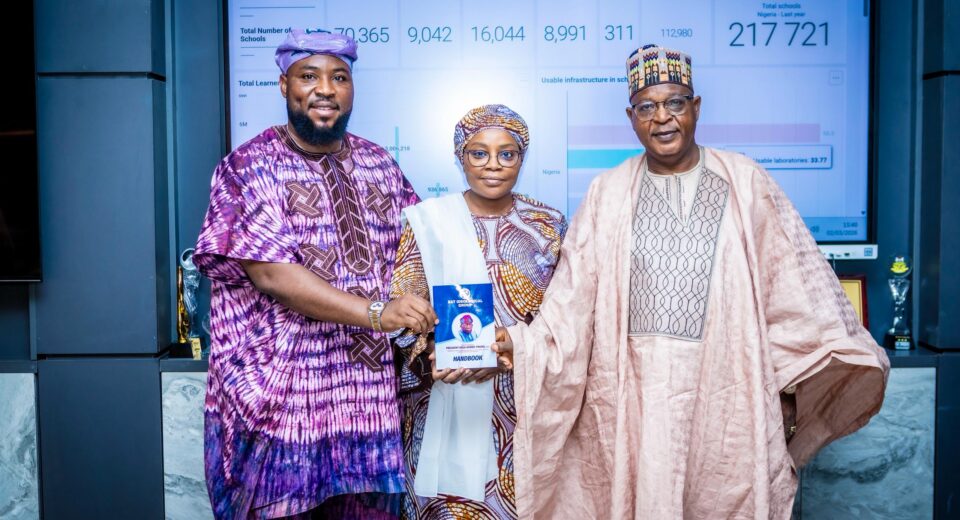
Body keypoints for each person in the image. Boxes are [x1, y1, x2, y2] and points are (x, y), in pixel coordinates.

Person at [492, 45, 890, 519]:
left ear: (696, 108)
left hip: (726, 398)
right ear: (631, 118)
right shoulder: (607, 193)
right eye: (647, 107)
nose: (662, 118)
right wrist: (526, 345)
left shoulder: (746, 182)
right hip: (633, 405)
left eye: (675, 103)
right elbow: (572, 300)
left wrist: (824, 362)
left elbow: (792, 287)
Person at [193, 29, 436, 520]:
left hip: (368, 402)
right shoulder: (249, 166)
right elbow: (273, 275)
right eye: (309, 76)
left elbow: (417, 251)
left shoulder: (379, 163)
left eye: (339, 77)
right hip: (283, 402)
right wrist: (379, 313)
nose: (326, 89)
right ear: (285, 85)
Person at [389, 104, 567, 519]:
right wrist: (431, 351)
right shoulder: (428, 223)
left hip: (520, 403)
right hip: (444, 395)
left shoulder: (548, 225)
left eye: (507, 153)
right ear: (460, 157)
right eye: (479, 153)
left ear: (522, 157)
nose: (493, 165)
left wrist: (516, 347)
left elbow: (567, 314)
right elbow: (404, 307)